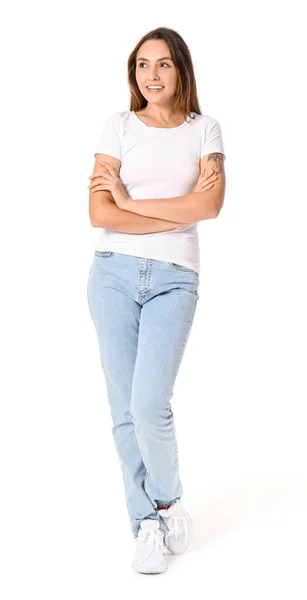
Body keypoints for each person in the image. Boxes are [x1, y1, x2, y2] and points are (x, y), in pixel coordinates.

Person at [87, 26, 226, 574]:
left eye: (163, 64)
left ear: (181, 70)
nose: (152, 74)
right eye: (143, 64)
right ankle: (144, 521)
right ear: (133, 72)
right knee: (124, 410)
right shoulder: (117, 125)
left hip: (175, 276)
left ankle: (168, 502)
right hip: (112, 275)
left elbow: (210, 208)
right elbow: (100, 216)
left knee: (150, 404)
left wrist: (130, 200)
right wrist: (177, 206)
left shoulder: (205, 129)